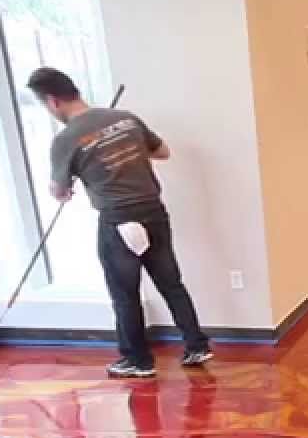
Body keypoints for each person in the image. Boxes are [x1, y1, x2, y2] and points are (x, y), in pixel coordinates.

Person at [28, 67, 212, 378]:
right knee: (171, 282)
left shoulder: (66, 140)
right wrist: (127, 154)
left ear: (52, 101)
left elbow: (59, 191)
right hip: (153, 211)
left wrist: (65, 186)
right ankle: (196, 344)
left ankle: (138, 361)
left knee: (125, 294)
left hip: (118, 220)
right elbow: (163, 152)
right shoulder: (126, 118)